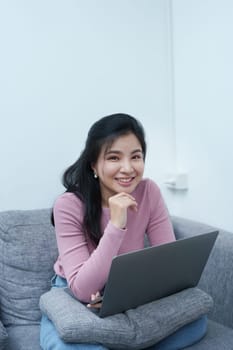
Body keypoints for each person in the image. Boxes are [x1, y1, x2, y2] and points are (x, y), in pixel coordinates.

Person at [40, 113, 207, 350]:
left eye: (136, 157)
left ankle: (120, 340)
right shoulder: (68, 205)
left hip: (128, 289)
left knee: (197, 323)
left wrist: (129, 294)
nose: (127, 168)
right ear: (93, 165)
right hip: (75, 293)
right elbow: (84, 290)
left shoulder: (149, 191)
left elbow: (167, 265)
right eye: (114, 157)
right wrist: (116, 225)